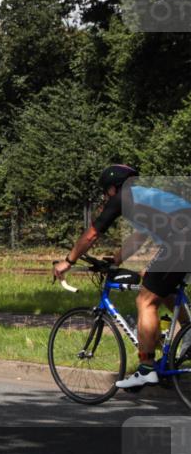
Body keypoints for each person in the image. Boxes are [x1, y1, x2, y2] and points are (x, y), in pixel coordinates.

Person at [54, 165, 191, 388]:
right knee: (159, 288)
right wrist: (116, 260)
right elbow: (139, 238)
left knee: (145, 300)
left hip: (182, 242)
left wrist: (68, 262)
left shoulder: (122, 199)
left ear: (112, 188)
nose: (106, 195)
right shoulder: (144, 198)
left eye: (105, 191)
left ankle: (146, 368)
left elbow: (92, 234)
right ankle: (188, 332)